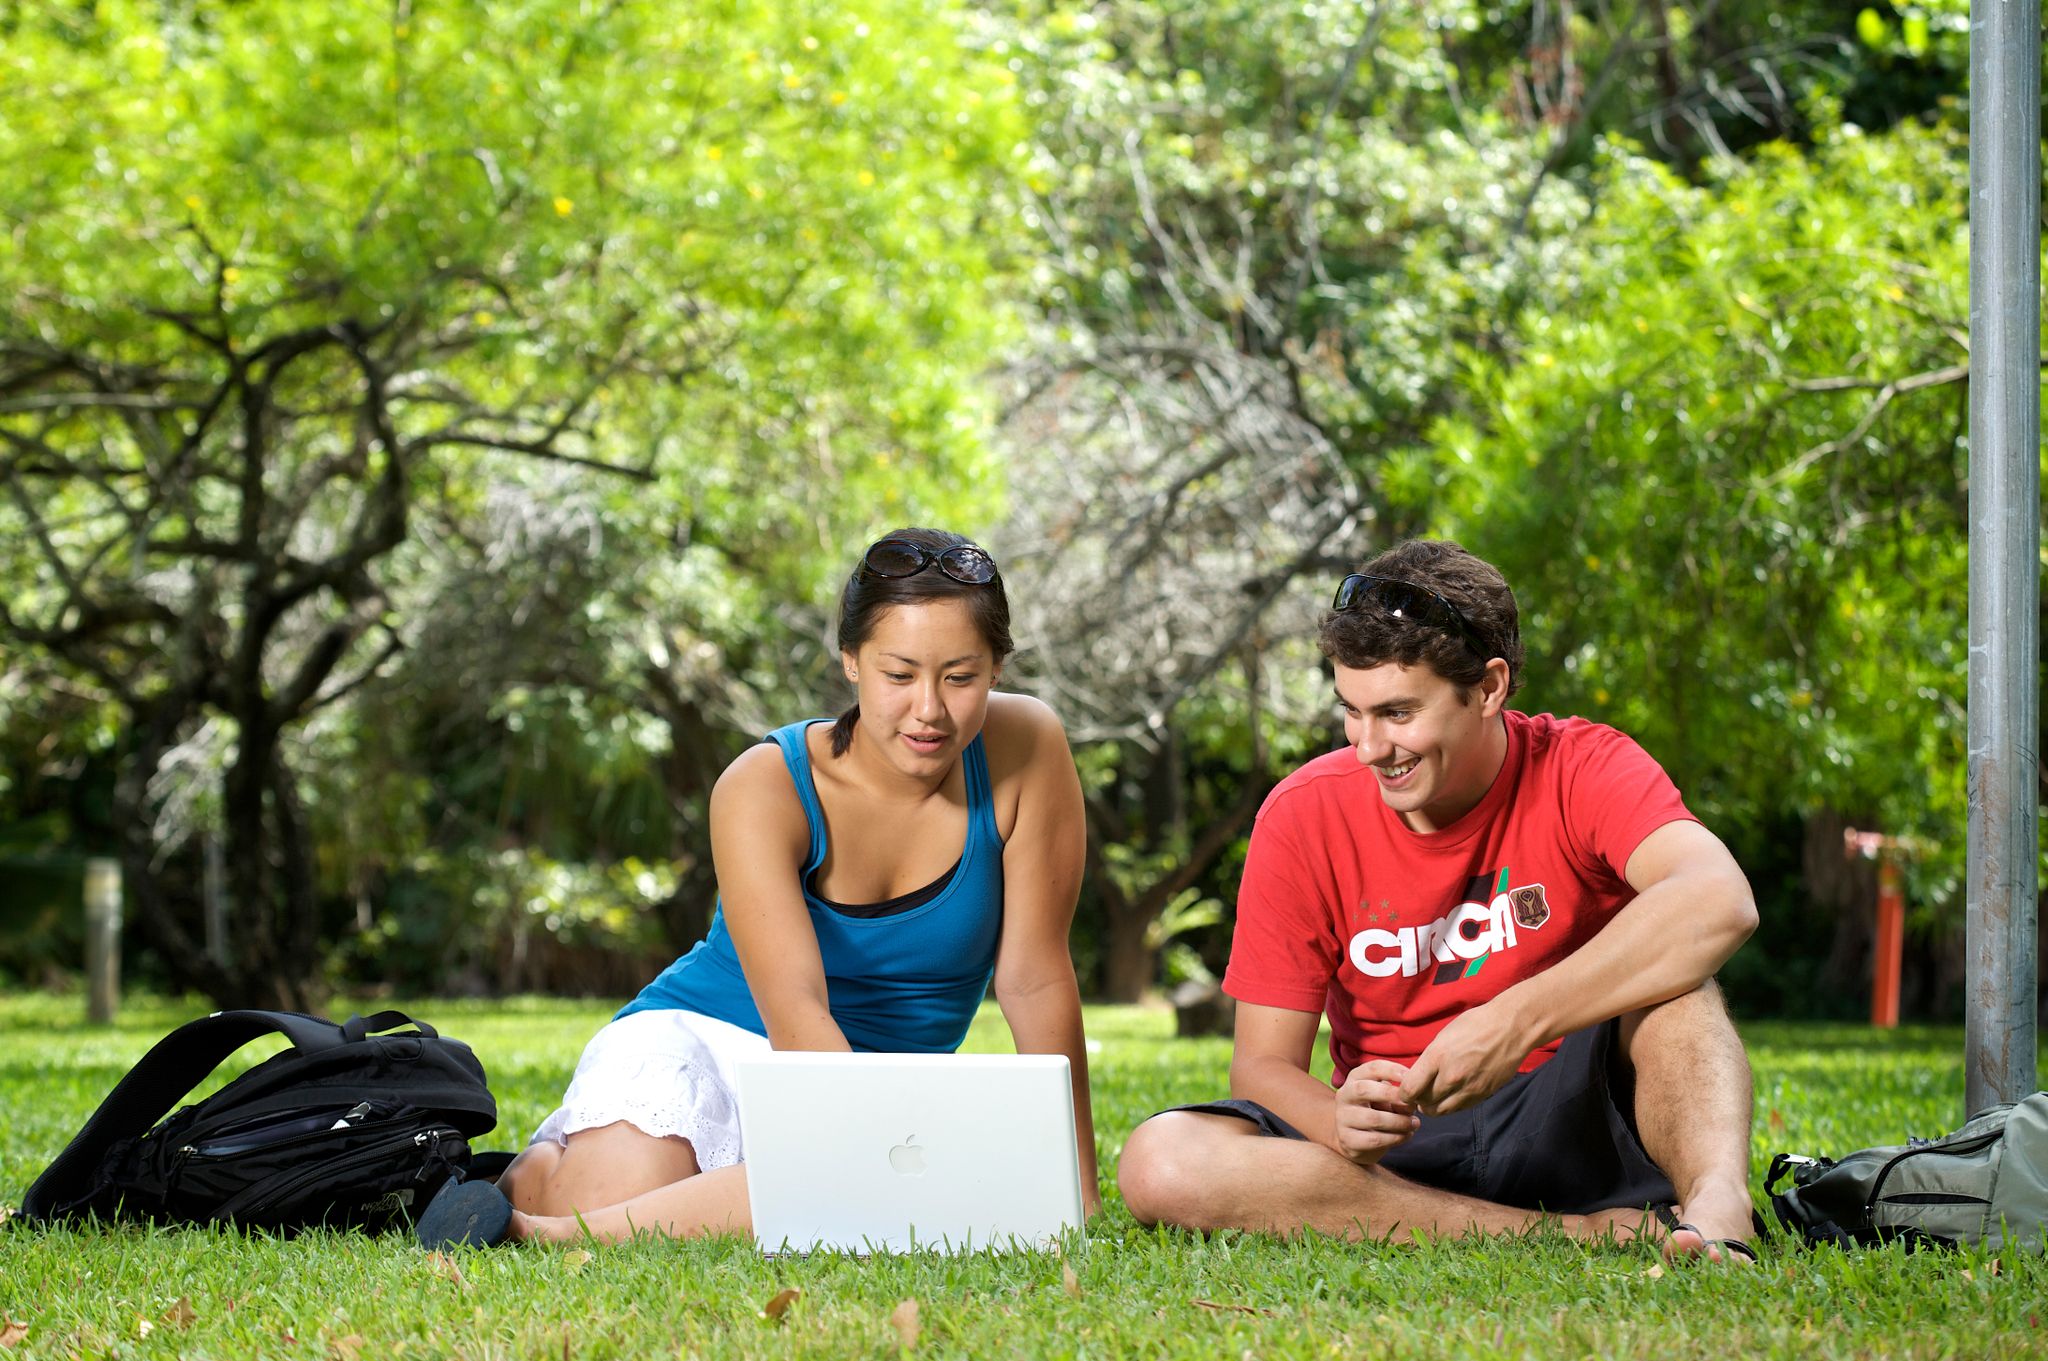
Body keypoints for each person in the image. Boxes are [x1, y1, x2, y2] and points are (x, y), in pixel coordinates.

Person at [419, 528, 1098, 1247]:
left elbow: (1033, 979)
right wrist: (857, 1151)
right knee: (616, 1192)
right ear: (851, 662)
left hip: (890, 1082)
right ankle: (524, 1181)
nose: (928, 708)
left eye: (960, 677)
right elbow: (798, 1015)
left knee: (880, 1184)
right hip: (718, 1037)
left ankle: (535, 1233)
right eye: (899, 674)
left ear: (997, 667)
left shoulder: (1027, 746)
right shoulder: (763, 785)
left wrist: (1076, 1183)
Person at [1115, 540, 1761, 1262]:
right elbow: (1260, 1067)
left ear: (1489, 688)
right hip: (1402, 1152)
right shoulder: (1301, 815)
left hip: (1573, 1115)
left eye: (1396, 712)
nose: (1367, 746)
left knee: (1680, 984)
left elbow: (1719, 898)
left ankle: (1715, 1209)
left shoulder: (1585, 765)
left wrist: (1514, 1020)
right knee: (1160, 1159)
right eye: (1351, 712)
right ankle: (1570, 1234)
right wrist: (1339, 1121)